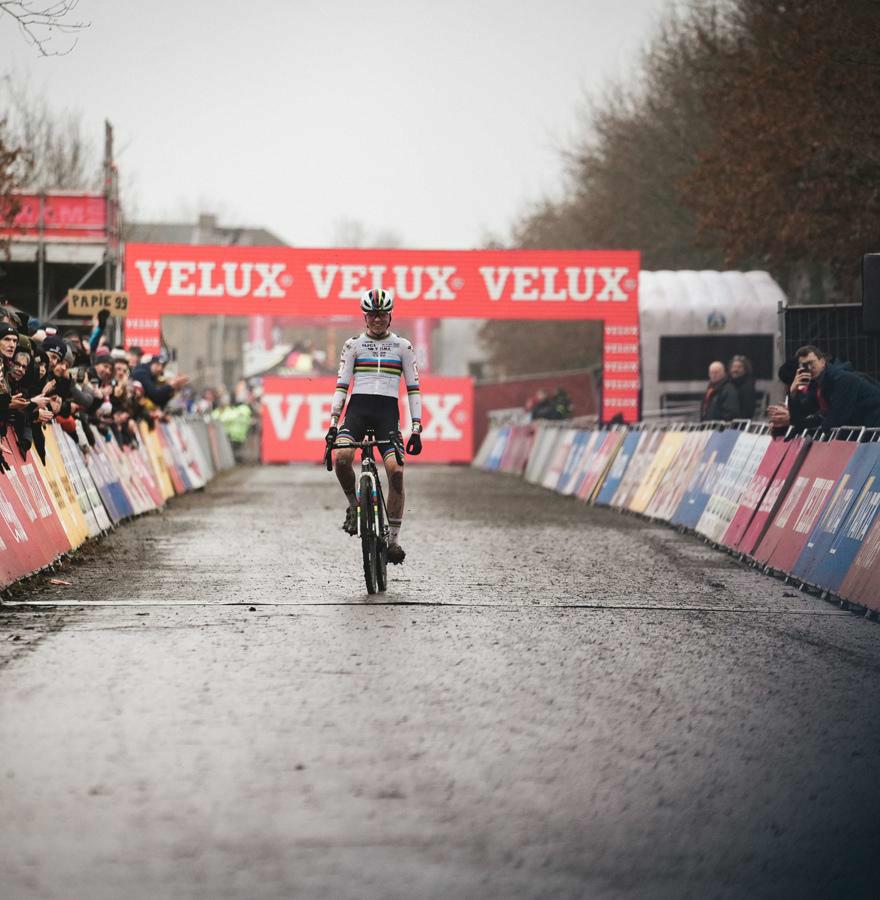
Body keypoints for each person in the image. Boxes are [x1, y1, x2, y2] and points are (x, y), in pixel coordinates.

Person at [324, 288, 422, 565]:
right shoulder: (353, 345)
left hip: (386, 415)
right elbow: (342, 385)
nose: (377, 319)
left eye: (382, 314)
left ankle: (392, 540)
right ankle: (354, 508)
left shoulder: (403, 346)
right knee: (341, 457)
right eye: (372, 314)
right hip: (357, 412)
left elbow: (413, 389)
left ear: (389, 316)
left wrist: (416, 427)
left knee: (397, 473)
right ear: (365, 317)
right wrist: (333, 422)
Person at [782, 345, 880, 431]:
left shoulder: (842, 379)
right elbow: (799, 421)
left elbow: (835, 420)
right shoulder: (816, 384)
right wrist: (793, 393)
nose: (810, 368)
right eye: (804, 365)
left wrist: (818, 419)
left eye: (812, 363)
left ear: (822, 362)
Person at [729, 354, 757, 419]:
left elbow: (748, 410)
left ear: (745, 370)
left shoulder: (747, 387)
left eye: (739, 367)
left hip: (739, 424)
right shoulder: (728, 385)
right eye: (734, 367)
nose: (735, 370)